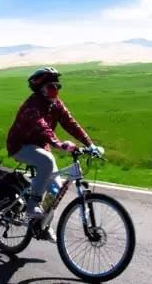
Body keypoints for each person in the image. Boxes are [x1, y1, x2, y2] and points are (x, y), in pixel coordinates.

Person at [6, 67, 99, 224]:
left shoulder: (56, 104)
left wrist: (90, 144)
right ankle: (32, 205)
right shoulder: (32, 106)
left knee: (56, 189)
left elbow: (70, 123)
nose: (55, 90)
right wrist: (60, 144)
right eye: (51, 87)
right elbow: (43, 128)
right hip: (20, 146)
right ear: (41, 89)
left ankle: (42, 225)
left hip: (41, 148)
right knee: (47, 161)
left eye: (57, 86)